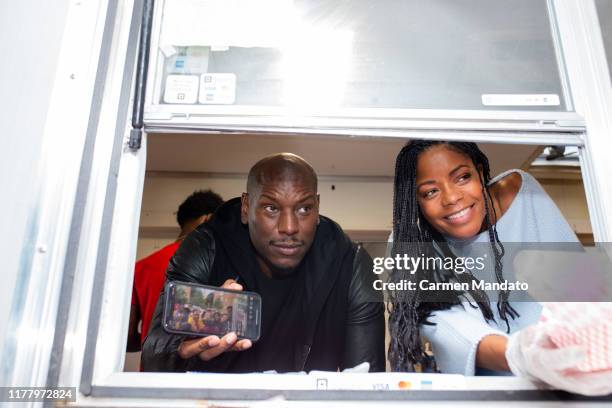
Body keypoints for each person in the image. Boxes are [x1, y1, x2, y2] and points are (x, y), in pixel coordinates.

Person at [142, 153, 385, 373]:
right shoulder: (207, 247)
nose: (289, 227)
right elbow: (154, 355)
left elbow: (367, 382)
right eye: (271, 208)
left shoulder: (351, 263)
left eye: (304, 208)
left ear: (317, 207)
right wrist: (182, 350)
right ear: (246, 207)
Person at [388, 141, 579, 375]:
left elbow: (577, 283)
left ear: (480, 173)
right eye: (430, 192)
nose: (451, 198)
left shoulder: (518, 192)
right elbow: (446, 325)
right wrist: (524, 356)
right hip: (489, 383)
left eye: (462, 177)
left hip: (573, 362)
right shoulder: (411, 243)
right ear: (416, 202)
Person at [127, 190, 224, 352]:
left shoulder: (141, 267)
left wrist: (150, 341)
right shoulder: (216, 264)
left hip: (152, 371)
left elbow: (127, 338)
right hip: (200, 370)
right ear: (207, 219)